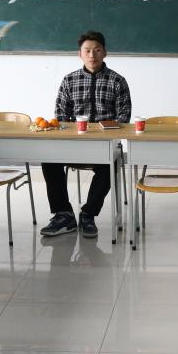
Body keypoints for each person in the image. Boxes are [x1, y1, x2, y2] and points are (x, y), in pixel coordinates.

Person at [39, 30, 132, 238]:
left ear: (105, 53)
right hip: (74, 143)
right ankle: (63, 215)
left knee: (109, 165)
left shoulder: (117, 81)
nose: (92, 55)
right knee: (49, 160)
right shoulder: (69, 80)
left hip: (104, 144)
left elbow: (124, 117)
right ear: (79, 54)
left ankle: (88, 214)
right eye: (87, 50)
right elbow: (60, 116)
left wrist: (103, 132)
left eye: (97, 50)